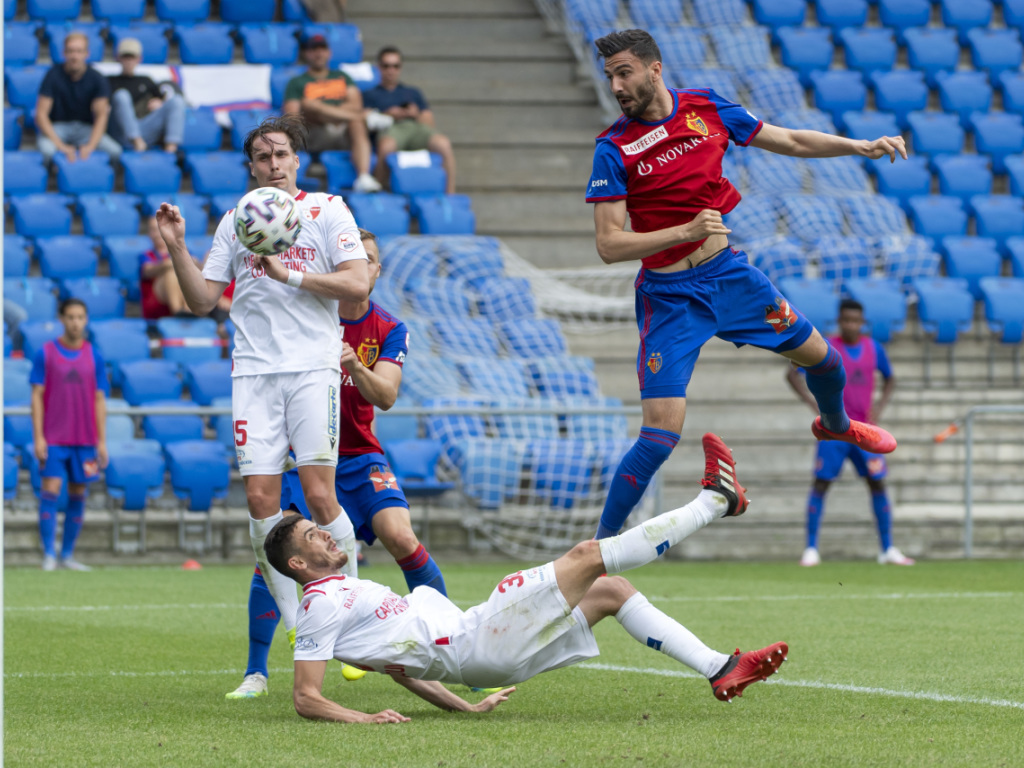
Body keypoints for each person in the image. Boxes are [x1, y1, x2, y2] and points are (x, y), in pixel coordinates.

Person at [584, 29, 903, 542]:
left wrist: (858, 146)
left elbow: (790, 139)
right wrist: (685, 231)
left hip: (731, 278)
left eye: (624, 72)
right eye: (610, 76)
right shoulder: (613, 148)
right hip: (669, 298)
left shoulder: (706, 109)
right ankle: (596, 547)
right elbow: (608, 245)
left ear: (654, 69)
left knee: (825, 360)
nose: (617, 85)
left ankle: (836, 424)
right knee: (659, 438)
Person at [265, 433, 787, 723]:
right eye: (313, 538)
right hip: (476, 638)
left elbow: (403, 670)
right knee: (587, 556)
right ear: (297, 566)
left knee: (610, 590)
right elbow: (306, 696)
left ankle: (720, 667)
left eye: (320, 530)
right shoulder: (319, 605)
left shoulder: (342, 595)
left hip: (479, 650)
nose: (328, 536)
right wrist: (364, 720)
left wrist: (468, 705)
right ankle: (715, 501)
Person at [156, 113, 371, 657]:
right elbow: (202, 301)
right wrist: (177, 246)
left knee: (321, 496)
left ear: (296, 160)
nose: (272, 165)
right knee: (259, 500)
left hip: (311, 369)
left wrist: (289, 275)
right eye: (261, 157)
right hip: (253, 371)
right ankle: (302, 624)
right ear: (250, 168)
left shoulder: (326, 209)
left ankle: (347, 609)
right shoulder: (236, 220)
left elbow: (356, 281)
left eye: (280, 155)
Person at [227, 228, 448, 699]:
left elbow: (386, 396)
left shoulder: (389, 329)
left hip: (360, 457)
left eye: (369, 259)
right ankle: (256, 672)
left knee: (401, 535)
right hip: (303, 461)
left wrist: (354, 367)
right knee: (275, 554)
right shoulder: (311, 316)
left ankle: (447, 641)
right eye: (353, 259)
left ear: (377, 270)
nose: (361, 267)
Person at [786, 300, 914, 567]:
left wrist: (879, 406)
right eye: (846, 320)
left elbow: (890, 378)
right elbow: (792, 373)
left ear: (862, 322)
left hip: (865, 431)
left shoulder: (873, 348)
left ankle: (887, 549)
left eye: (856, 321)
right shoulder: (826, 346)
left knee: (877, 483)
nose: (851, 325)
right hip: (833, 431)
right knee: (821, 484)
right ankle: (811, 549)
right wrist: (812, 403)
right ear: (839, 321)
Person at [29, 299, 109, 571]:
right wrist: (39, 436)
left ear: (86, 320)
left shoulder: (94, 356)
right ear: (62, 319)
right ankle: (49, 554)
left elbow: (100, 399)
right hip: (54, 438)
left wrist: (101, 441)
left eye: (80, 317)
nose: (76, 322)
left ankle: (68, 555)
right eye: (71, 317)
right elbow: (37, 396)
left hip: (85, 440)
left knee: (79, 493)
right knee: (50, 490)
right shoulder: (46, 353)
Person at [284, 34, 381, 193]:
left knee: (355, 122)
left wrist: (324, 109)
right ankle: (364, 118)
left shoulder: (342, 77)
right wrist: (326, 110)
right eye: (313, 49)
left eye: (322, 49)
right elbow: (292, 118)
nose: (318, 53)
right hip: (315, 133)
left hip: (343, 132)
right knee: (309, 105)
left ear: (329, 52)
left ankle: (364, 176)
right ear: (306, 54)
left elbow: (356, 105)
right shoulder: (297, 82)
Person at [361, 46, 456, 195]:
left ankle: (449, 196)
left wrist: (414, 114)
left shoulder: (413, 92)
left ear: (400, 68)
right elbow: (364, 123)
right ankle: (378, 194)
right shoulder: (369, 94)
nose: (391, 70)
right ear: (379, 67)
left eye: (395, 66)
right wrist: (389, 115)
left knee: (443, 144)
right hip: (390, 130)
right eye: (386, 66)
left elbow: (429, 123)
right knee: (386, 147)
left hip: (414, 129)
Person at [35, 32, 123, 164]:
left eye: (79, 51)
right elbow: (41, 115)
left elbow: (101, 116)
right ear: (64, 53)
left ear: (86, 54)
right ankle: (54, 179)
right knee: (47, 151)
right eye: (70, 51)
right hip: (58, 128)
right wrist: (61, 146)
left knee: (115, 151)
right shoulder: (52, 75)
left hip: (86, 129)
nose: (74, 56)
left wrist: (90, 147)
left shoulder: (97, 78)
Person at [106, 37, 185, 153]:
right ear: (118, 58)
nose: (128, 61)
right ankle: (136, 141)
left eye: (132, 57)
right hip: (119, 130)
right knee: (122, 95)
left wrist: (160, 103)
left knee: (177, 101)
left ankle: (171, 149)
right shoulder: (109, 81)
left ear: (139, 59)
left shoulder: (146, 80)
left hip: (144, 128)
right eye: (125, 57)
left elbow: (163, 100)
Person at [140, 216, 193, 319]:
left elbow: (198, 266)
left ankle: (188, 309)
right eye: (154, 230)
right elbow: (148, 270)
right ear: (149, 234)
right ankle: (178, 311)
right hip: (156, 303)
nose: (158, 234)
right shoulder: (146, 256)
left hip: (183, 295)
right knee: (171, 272)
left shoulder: (184, 252)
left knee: (189, 270)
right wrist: (170, 264)